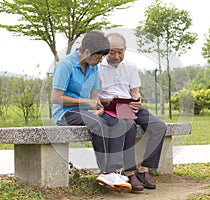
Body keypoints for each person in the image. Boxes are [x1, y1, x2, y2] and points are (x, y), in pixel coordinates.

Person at [51, 30, 133, 193]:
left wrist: (99, 107)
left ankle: (114, 171)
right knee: (99, 124)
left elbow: (94, 97)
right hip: (65, 113)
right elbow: (56, 98)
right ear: (87, 52)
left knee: (118, 121)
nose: (100, 60)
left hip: (87, 112)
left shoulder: (93, 67)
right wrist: (86, 102)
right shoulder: (65, 65)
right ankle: (105, 172)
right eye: (98, 57)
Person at [98, 33, 167, 191]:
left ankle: (144, 169)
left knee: (159, 126)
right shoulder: (97, 67)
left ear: (125, 50)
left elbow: (135, 90)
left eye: (120, 52)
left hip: (129, 104)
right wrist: (107, 100)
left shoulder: (130, 65)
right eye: (112, 52)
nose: (116, 56)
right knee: (128, 124)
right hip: (108, 106)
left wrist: (137, 100)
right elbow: (93, 96)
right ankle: (129, 172)